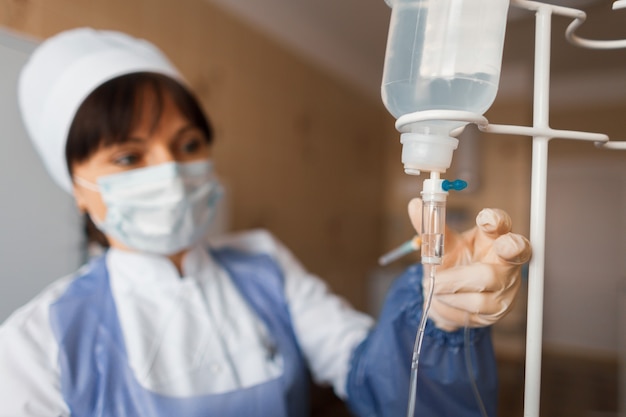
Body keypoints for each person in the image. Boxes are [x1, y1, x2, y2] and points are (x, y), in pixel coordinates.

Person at [0, 28, 531, 417]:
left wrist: (437, 315)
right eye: (128, 157)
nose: (171, 171)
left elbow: (376, 379)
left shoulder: (263, 263)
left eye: (188, 145)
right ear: (76, 187)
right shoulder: (36, 342)